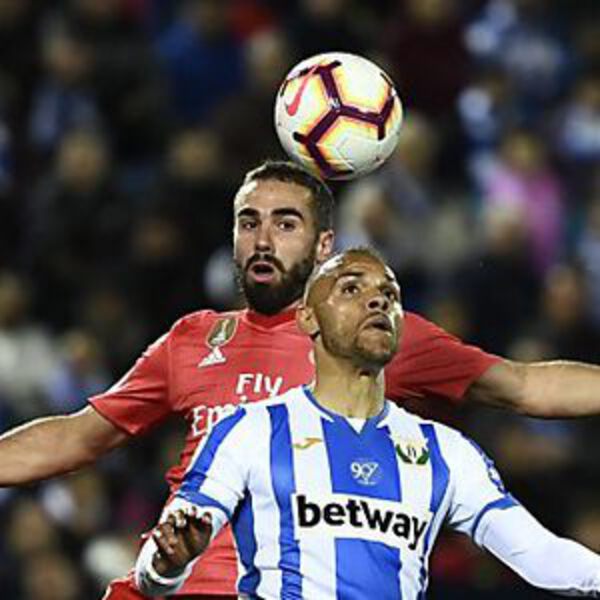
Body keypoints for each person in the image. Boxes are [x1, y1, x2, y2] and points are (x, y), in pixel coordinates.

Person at [2, 161, 600, 599]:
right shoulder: (195, 340)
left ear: (322, 245)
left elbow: (523, 387)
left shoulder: (375, 329)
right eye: (249, 223)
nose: (262, 240)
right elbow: (78, 437)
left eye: (285, 224)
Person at [135, 247, 600, 598]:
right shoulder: (249, 431)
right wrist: (168, 566)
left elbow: (541, 555)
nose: (377, 302)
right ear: (308, 319)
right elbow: (154, 575)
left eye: (389, 294)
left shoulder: (445, 452)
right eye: (351, 289)